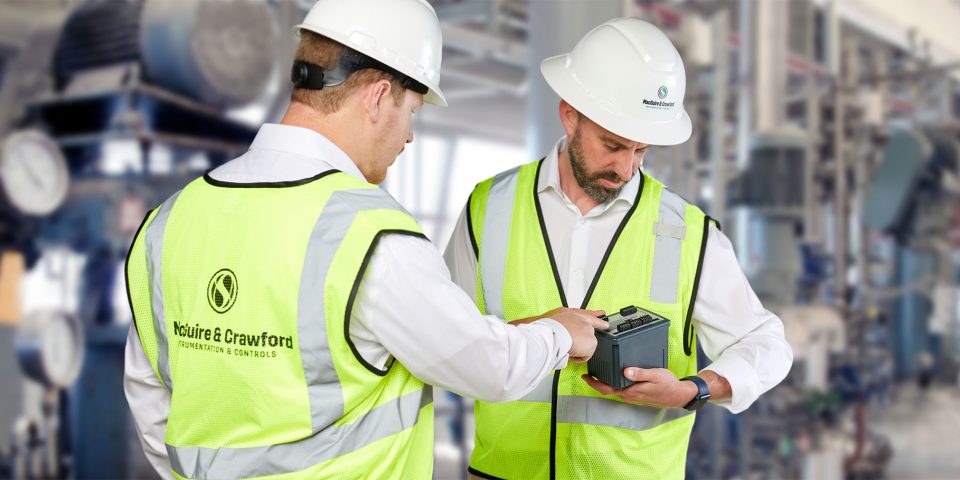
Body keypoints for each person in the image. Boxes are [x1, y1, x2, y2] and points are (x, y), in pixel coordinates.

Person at [123, 1, 606, 478]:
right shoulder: (371, 236)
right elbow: (488, 367)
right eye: (412, 110)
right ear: (377, 97)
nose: (410, 136)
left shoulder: (168, 223)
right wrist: (562, 333)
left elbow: (150, 399)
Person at [444, 18, 794, 479]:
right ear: (569, 114)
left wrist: (694, 389)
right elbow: (444, 334)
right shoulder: (489, 208)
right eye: (612, 145)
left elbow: (767, 345)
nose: (625, 167)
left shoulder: (689, 232)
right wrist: (528, 333)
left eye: (641, 151)